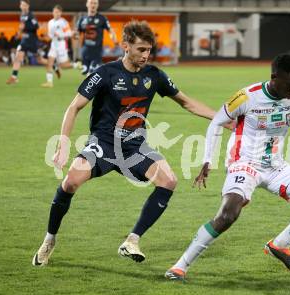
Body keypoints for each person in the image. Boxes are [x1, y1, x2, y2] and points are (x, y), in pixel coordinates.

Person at [165, 54, 290, 281]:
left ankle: (280, 245)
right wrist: (207, 160)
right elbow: (217, 121)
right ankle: (180, 266)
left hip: (275, 166)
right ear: (275, 77)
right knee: (227, 215)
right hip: (244, 164)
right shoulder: (247, 97)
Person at [32, 20, 218, 266]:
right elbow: (74, 106)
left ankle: (132, 240)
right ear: (125, 46)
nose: (146, 55)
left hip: (134, 146)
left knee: (169, 181)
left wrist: (221, 118)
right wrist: (63, 143)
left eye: (149, 50)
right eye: (141, 49)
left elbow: (187, 102)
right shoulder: (105, 73)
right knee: (70, 183)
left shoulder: (154, 75)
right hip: (104, 143)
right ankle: (49, 239)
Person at [6, 0, 45, 84]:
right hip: (24, 40)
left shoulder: (31, 15)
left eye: (24, 4)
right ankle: (14, 77)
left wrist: (25, 27)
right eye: (21, 4)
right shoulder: (22, 15)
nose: (22, 6)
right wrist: (19, 32)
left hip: (32, 40)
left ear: (27, 6)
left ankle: (53, 65)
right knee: (18, 57)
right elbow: (22, 27)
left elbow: (36, 26)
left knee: (39, 60)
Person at [76, 0, 117, 75]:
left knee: (91, 73)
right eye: (91, 3)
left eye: (95, 3)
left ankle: (90, 85)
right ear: (87, 4)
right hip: (85, 52)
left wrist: (113, 38)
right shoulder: (82, 19)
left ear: (97, 5)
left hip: (97, 52)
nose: (93, 5)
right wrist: (75, 36)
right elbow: (77, 33)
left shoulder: (102, 18)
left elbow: (110, 30)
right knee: (85, 72)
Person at [41, 5, 74, 88]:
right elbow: (50, 35)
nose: (57, 13)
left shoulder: (63, 22)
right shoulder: (50, 22)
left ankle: (76, 64)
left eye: (58, 12)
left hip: (61, 44)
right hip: (53, 44)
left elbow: (69, 33)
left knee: (63, 66)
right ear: (53, 12)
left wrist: (60, 34)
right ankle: (49, 82)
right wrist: (47, 36)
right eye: (55, 12)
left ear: (61, 13)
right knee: (49, 62)